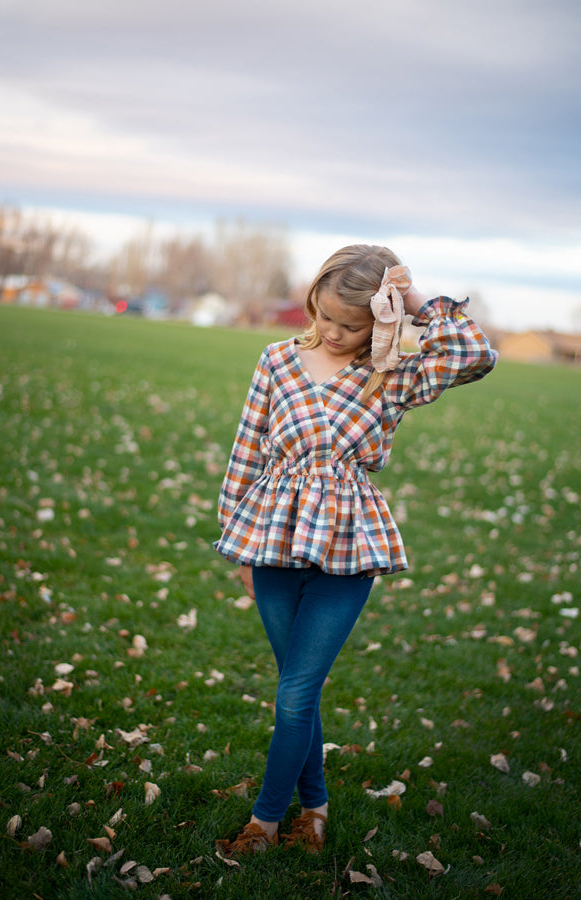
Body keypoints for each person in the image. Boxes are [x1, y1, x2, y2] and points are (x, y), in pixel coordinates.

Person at [214, 244, 498, 855]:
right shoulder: (276, 361)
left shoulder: (393, 372)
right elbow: (246, 452)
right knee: (300, 689)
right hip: (271, 543)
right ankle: (314, 812)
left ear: (380, 317)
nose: (337, 334)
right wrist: (236, 548)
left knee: (293, 695)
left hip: (348, 546)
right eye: (327, 318)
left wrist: (416, 303)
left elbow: (475, 354)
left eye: (353, 324)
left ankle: (264, 822)